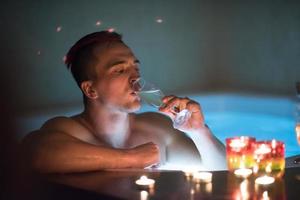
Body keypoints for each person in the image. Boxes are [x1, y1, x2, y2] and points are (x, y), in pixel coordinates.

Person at [22, 31, 226, 173]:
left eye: (135, 68)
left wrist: (199, 131)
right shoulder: (69, 130)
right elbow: (35, 154)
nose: (135, 78)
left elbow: (221, 172)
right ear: (90, 89)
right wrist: (133, 159)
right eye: (120, 70)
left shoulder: (157, 127)